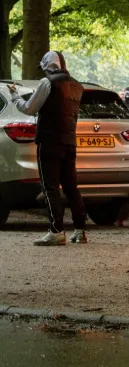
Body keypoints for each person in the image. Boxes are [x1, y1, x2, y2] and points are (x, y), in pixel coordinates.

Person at [8, 51, 87, 246]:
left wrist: (14, 95)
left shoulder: (47, 83)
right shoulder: (77, 86)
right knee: (71, 187)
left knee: (50, 186)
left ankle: (56, 230)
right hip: (69, 142)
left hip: (49, 142)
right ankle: (80, 230)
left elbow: (29, 108)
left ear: (46, 66)